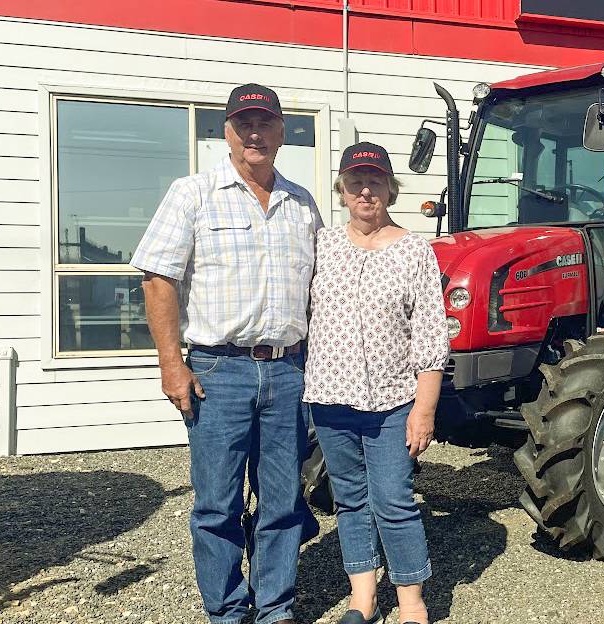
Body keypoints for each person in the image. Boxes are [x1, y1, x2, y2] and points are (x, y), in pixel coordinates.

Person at [132, 83, 322, 624]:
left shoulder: (301, 205)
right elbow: (157, 279)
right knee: (218, 505)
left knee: (283, 503)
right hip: (218, 372)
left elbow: (320, 290)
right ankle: (226, 611)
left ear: (283, 132)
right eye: (244, 124)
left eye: (265, 123)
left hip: (288, 370)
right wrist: (173, 364)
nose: (255, 133)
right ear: (228, 132)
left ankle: (275, 609)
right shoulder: (192, 194)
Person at [303, 142, 450, 624]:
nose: (366, 191)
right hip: (330, 400)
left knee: (393, 500)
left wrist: (423, 410)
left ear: (390, 187)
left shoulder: (414, 251)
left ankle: (412, 603)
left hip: (391, 404)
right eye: (355, 182)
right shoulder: (322, 244)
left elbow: (430, 335)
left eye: (375, 181)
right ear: (342, 190)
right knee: (349, 499)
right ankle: (362, 599)